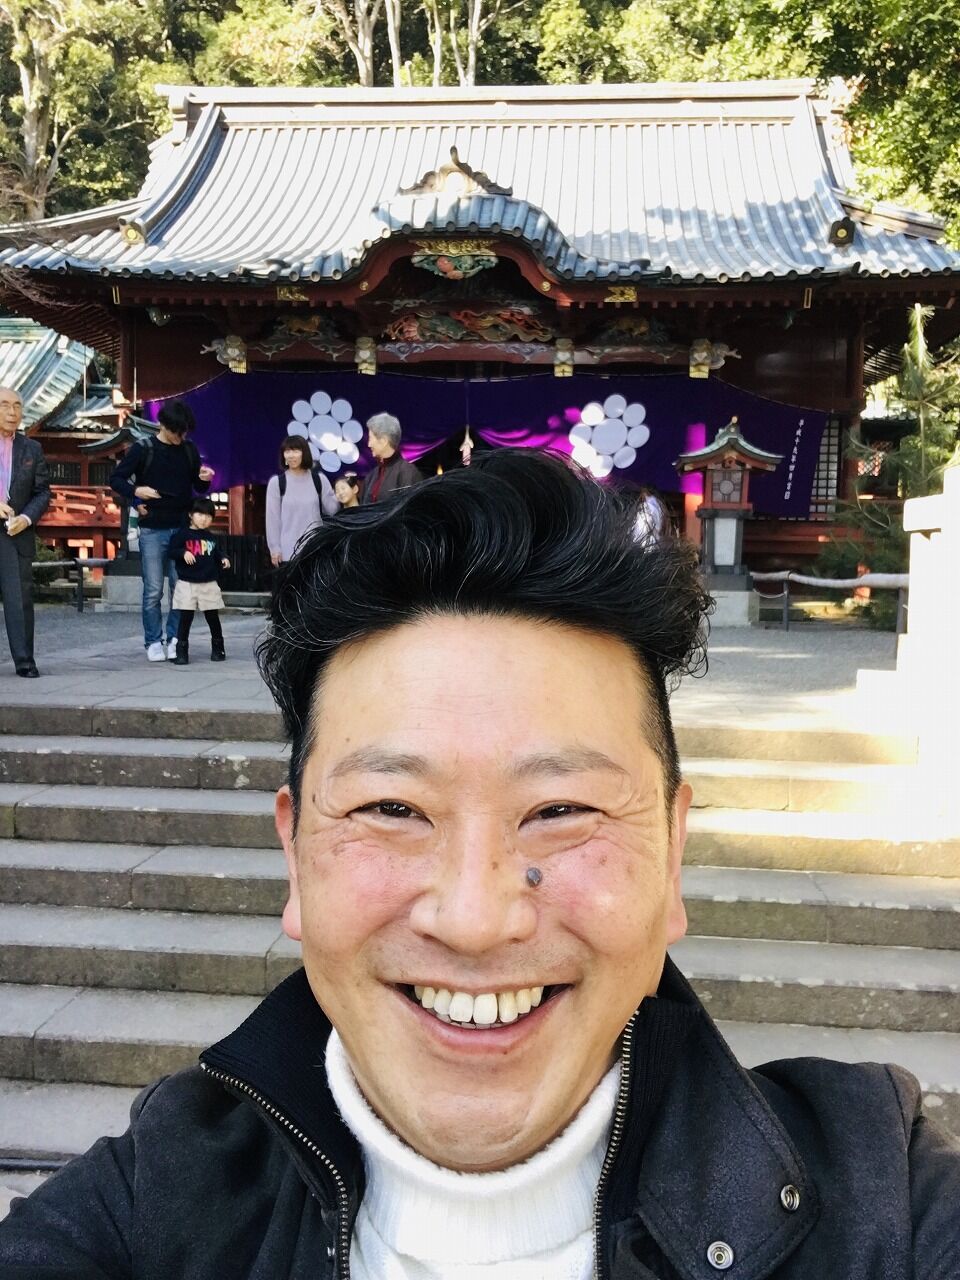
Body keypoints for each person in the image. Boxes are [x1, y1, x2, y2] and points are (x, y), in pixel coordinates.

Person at [2, 450, 958, 1279]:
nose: (473, 919)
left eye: (561, 811)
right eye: (391, 809)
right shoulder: (153, 1202)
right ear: (295, 854)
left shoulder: (884, 1196)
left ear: (673, 855)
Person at [110, 401, 215, 662]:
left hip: (182, 528)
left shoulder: (189, 449)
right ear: (162, 425)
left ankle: (175, 638)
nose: (180, 437)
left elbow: (197, 487)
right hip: (152, 528)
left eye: (184, 432)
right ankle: (153, 640)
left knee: (181, 587)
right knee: (154, 588)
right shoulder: (143, 448)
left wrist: (204, 479)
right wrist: (137, 492)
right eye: (176, 432)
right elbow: (116, 479)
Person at [0, 385, 50, 678]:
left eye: (17, 406)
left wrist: (27, 518)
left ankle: (24, 661)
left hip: (16, 532)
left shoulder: (32, 448)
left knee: (19, 599)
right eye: (5, 405)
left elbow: (43, 492)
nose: (12, 412)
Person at [168, 498, 230, 665]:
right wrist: (183, 553)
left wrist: (223, 558)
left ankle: (218, 648)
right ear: (191, 515)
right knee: (185, 618)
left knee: (212, 617)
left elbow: (217, 552)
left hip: (208, 582)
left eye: (208, 516)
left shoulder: (211, 537)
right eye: (200, 514)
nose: (204, 519)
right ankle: (182, 652)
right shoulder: (182, 535)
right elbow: (171, 551)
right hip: (187, 582)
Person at [266, 435, 339, 566]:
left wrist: (342, 491)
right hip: (288, 553)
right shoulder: (277, 483)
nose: (291, 455)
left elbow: (333, 510)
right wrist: (274, 548)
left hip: (316, 550)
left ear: (304, 453)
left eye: (295, 451)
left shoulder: (319, 480)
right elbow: (272, 519)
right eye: (287, 451)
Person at [361, 411, 422, 503]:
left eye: (370, 438)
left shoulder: (408, 473)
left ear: (384, 441)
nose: (369, 444)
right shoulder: (371, 476)